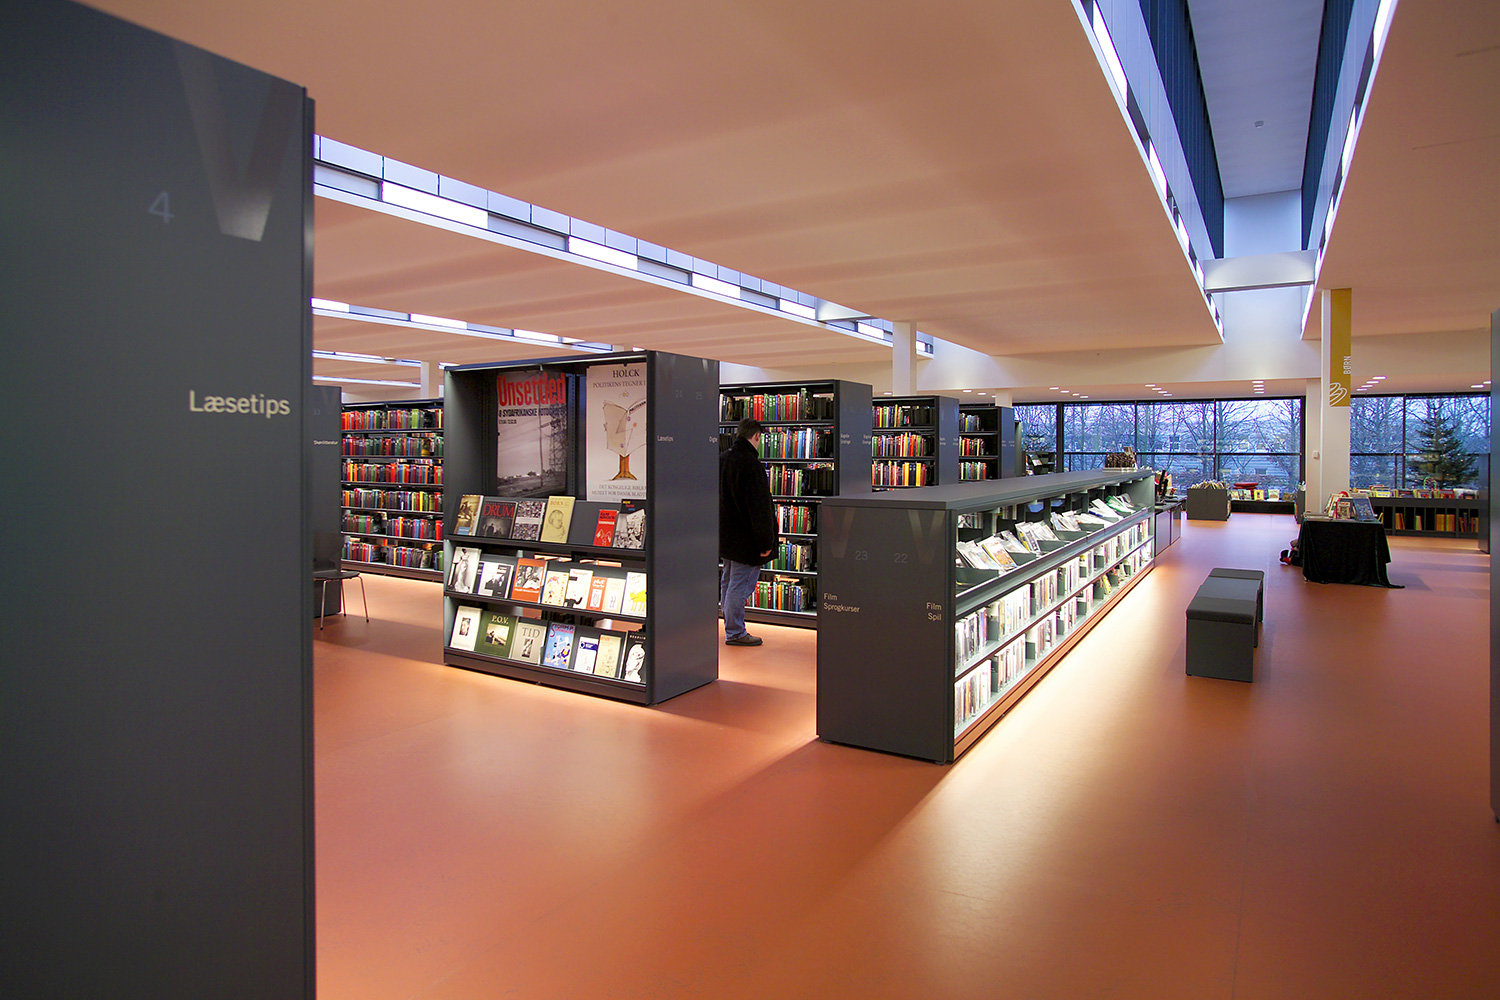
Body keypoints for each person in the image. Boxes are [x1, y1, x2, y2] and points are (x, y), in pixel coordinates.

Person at [719, 417, 777, 646]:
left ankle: (730, 626)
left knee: (728, 581)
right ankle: (735, 632)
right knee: (740, 585)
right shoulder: (751, 465)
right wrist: (766, 542)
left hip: (726, 535)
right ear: (756, 436)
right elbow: (759, 507)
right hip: (747, 539)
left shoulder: (722, 459)